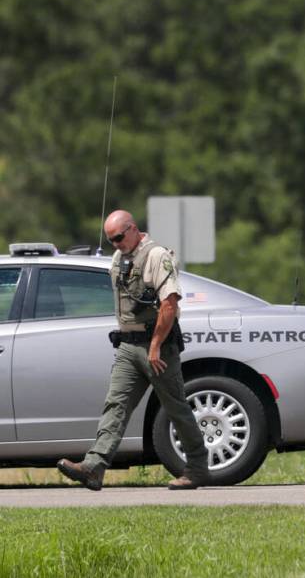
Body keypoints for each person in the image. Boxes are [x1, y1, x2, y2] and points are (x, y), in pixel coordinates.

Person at [57, 210, 209, 490]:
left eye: (118, 237)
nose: (115, 244)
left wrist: (155, 346)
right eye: (110, 240)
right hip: (128, 346)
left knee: (175, 406)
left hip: (158, 348)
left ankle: (198, 467)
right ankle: (94, 466)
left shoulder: (156, 256)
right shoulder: (119, 258)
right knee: (116, 405)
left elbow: (169, 304)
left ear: (133, 229)